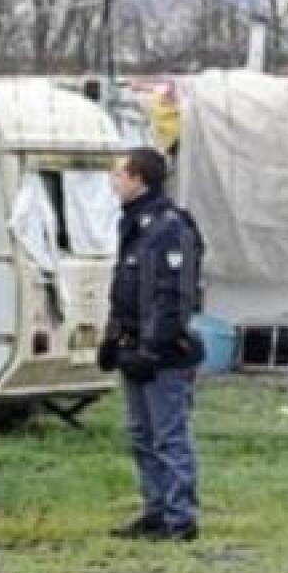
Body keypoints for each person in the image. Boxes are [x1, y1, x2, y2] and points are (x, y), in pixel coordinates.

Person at [98, 147, 205, 542]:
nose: (113, 182)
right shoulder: (135, 226)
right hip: (134, 346)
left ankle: (180, 516)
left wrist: (153, 347)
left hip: (163, 354)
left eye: (118, 174)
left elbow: (173, 295)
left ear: (138, 179)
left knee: (168, 434)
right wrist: (113, 337)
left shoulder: (168, 227)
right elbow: (127, 289)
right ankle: (155, 510)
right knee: (142, 435)